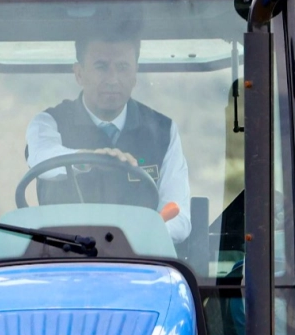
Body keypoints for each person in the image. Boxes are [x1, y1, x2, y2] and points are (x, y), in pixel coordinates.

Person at [25, 29, 191, 243]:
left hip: (140, 264)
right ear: (79, 74)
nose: (113, 79)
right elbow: (42, 157)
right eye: (101, 67)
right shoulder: (48, 122)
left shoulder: (163, 131)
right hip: (62, 261)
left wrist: (144, 235)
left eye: (122, 67)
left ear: (135, 74)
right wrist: (87, 159)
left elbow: (178, 215)